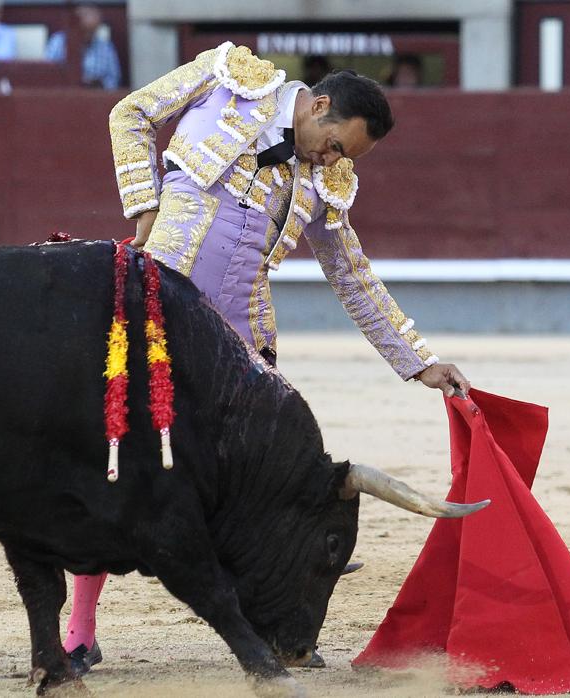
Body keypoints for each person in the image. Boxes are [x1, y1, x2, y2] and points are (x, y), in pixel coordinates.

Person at [67, 42, 472, 675]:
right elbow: (132, 112)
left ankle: (278, 625)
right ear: (319, 104)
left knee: (265, 478)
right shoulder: (231, 79)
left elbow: (351, 275)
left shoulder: (327, 178)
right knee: (119, 458)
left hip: (242, 341)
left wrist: (418, 361)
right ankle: (79, 632)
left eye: (344, 157)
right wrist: (143, 204)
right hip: (160, 309)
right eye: (335, 144)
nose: (331, 159)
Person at [44, 2, 120, 90]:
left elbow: (114, 79)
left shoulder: (106, 47)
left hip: (96, 97)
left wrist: (99, 85)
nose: (88, 35)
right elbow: (48, 73)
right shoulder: (59, 42)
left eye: (92, 31)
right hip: (65, 94)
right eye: (85, 31)